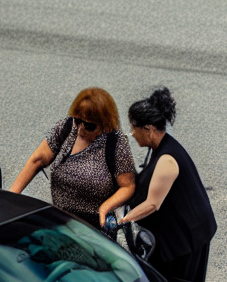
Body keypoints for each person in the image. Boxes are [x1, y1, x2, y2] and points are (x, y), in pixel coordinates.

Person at [114, 87, 216, 282]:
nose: (132, 134)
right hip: (175, 232)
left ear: (149, 129)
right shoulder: (156, 148)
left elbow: (153, 204)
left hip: (187, 238)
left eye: (134, 128)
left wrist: (123, 222)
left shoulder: (167, 159)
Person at [10, 88, 137, 228]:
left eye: (89, 125)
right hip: (60, 220)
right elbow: (37, 160)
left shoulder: (116, 143)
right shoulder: (66, 127)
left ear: (104, 122)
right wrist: (8, 198)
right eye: (78, 121)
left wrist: (105, 207)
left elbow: (128, 186)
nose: (81, 128)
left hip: (94, 226)